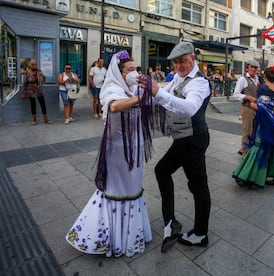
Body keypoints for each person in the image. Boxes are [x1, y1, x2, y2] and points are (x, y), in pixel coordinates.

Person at [65, 50, 154, 257]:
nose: (135, 73)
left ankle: (131, 234)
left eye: (136, 69)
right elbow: (114, 106)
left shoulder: (132, 88)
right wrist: (141, 98)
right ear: (120, 72)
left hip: (135, 147)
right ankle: (113, 237)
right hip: (118, 151)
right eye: (130, 70)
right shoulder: (112, 88)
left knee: (134, 187)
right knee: (119, 189)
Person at [144, 41, 211, 252]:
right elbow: (164, 98)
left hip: (193, 139)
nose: (179, 66)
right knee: (163, 171)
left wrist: (158, 93)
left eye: (182, 61)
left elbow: (190, 108)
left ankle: (200, 234)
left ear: (193, 58)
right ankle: (171, 221)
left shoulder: (199, 82)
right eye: (175, 62)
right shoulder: (179, 79)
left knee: (198, 185)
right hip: (183, 138)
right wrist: (140, 98)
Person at [232, 66, 274, 188]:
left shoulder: (264, 88)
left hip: (265, 125)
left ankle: (251, 177)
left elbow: (261, 107)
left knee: (259, 147)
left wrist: (252, 104)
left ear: (265, 76)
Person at [233, 60, 260, 156]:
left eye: (255, 67)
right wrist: (247, 97)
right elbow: (235, 94)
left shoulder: (257, 79)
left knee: (253, 131)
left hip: (256, 109)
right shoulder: (243, 79)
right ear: (247, 68)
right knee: (247, 131)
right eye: (251, 67)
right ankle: (245, 152)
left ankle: (245, 149)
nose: (253, 69)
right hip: (247, 109)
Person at [21, 59, 52, 124]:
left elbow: (44, 80)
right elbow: (24, 84)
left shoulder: (39, 71)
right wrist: (24, 93)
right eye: (33, 64)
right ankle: (34, 120)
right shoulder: (27, 73)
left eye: (35, 64)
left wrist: (42, 76)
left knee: (43, 104)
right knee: (33, 104)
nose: (34, 66)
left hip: (39, 90)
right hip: (31, 90)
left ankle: (46, 120)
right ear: (30, 65)